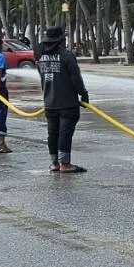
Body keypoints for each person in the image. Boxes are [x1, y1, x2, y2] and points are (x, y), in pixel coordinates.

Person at [36, 25, 89, 173]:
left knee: (52, 133)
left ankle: (55, 163)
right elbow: (76, 79)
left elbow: (42, 78)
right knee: (65, 133)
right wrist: (83, 94)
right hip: (67, 103)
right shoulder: (67, 55)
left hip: (49, 102)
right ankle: (65, 164)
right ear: (60, 40)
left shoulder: (40, 56)